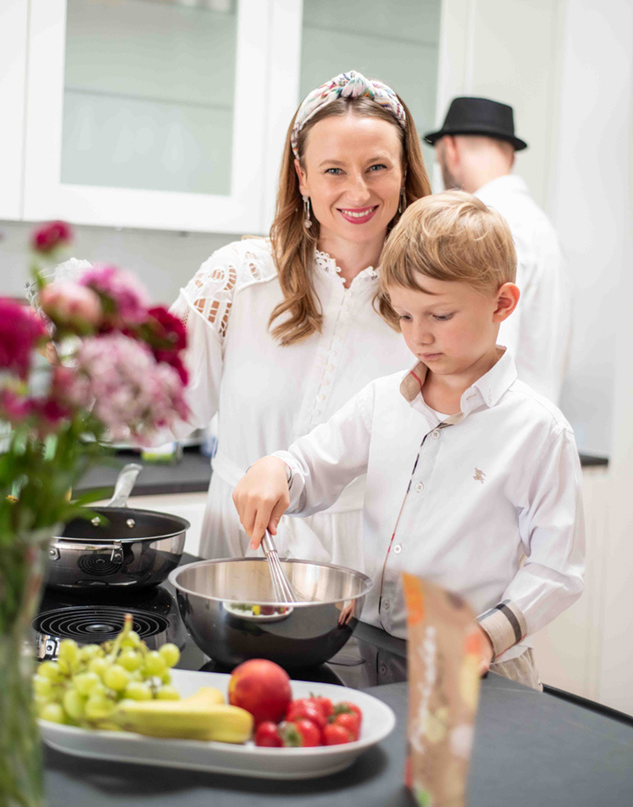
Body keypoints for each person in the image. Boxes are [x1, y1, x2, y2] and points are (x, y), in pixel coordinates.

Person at [232, 191, 585, 689]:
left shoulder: (539, 431)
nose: (419, 336)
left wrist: (487, 636)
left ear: (502, 303)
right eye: (404, 315)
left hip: (480, 668)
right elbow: (311, 466)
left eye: (440, 316)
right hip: (379, 653)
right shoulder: (382, 402)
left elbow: (558, 569)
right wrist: (276, 469)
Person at [167, 70, 431, 566]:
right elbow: (159, 410)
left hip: (364, 566)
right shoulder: (236, 279)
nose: (358, 191)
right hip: (238, 554)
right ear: (302, 177)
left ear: (404, 174)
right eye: (334, 170)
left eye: (377, 167)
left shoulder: (430, 302)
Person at [424, 96, 571, 404]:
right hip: (531, 417)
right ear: (511, 157)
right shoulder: (540, 226)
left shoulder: (484, 226)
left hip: (495, 422)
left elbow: (484, 359)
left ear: (450, 149)